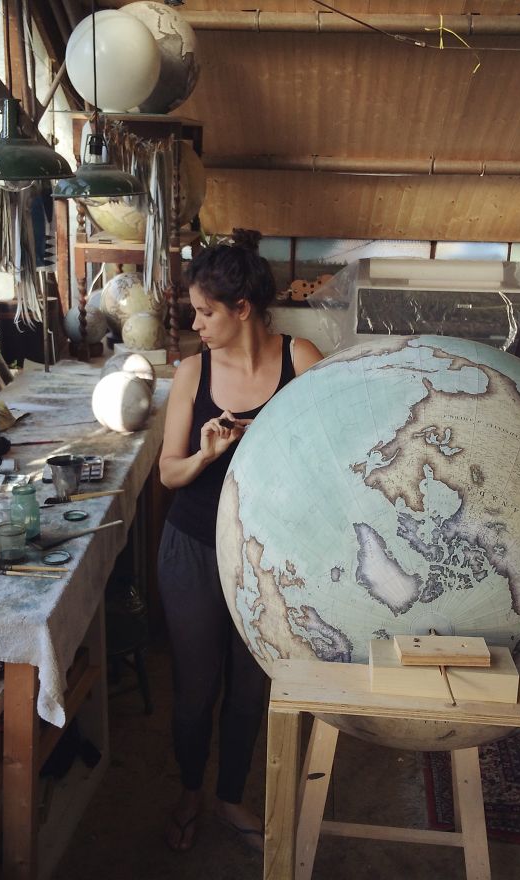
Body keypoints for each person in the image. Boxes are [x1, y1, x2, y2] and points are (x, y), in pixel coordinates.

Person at [157, 229, 322, 852]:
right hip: (194, 547)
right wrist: (206, 454)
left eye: (205, 312)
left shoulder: (301, 360)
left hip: (267, 554)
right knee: (196, 690)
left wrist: (274, 443)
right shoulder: (191, 372)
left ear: (242, 309)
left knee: (252, 688)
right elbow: (168, 473)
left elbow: (328, 456)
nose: (195, 324)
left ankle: (230, 797)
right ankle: (189, 793)